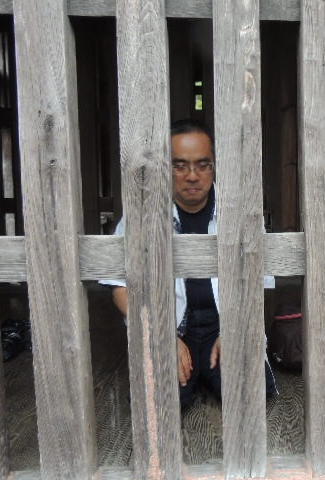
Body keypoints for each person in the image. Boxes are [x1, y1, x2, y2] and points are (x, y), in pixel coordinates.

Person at [102, 119, 277, 408]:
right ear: (164, 167)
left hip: (224, 322)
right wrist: (161, 336)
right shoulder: (142, 215)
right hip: (168, 323)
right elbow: (120, 288)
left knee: (250, 394)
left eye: (203, 165)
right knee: (159, 404)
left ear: (214, 165)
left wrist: (235, 329)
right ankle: (194, 374)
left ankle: (207, 372)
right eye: (180, 166)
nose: (192, 176)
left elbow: (262, 286)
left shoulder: (241, 214)